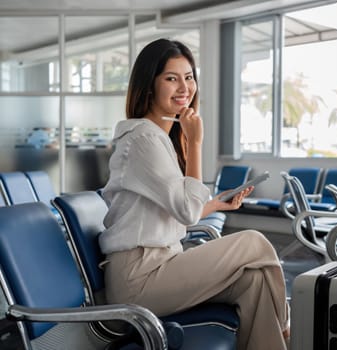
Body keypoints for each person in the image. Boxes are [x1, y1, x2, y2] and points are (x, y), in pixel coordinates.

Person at [99, 38, 290, 350]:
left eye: (188, 78)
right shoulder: (144, 139)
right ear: (150, 85)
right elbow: (187, 212)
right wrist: (196, 143)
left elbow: (175, 215)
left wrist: (216, 204)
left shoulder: (158, 137)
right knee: (254, 242)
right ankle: (287, 331)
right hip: (138, 280)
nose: (184, 88)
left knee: (254, 282)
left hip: (163, 263)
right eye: (171, 78)